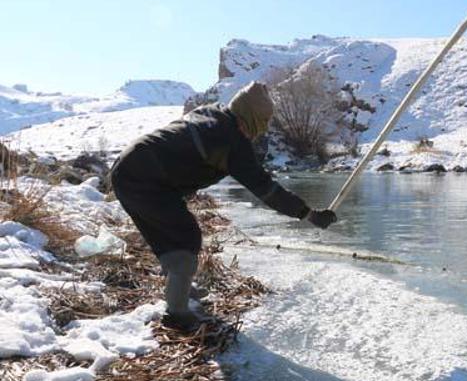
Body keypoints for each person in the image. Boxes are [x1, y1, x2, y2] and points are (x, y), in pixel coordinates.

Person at [110, 81, 337, 331]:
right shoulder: (232, 141)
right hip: (144, 178)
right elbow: (267, 190)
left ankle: (181, 288)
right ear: (251, 119)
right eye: (262, 123)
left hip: (129, 168)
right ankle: (176, 313)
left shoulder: (215, 113)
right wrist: (309, 214)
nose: (262, 131)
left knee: (167, 234)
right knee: (185, 236)